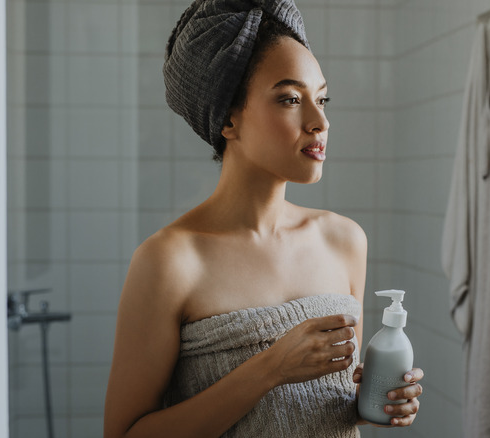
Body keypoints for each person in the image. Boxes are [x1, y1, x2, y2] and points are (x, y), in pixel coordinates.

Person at [103, 1, 423, 436]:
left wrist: (375, 398)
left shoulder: (345, 241)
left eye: (322, 98)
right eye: (290, 99)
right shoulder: (169, 261)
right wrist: (268, 369)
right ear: (229, 119)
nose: (320, 121)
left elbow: (330, 398)